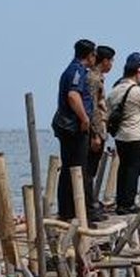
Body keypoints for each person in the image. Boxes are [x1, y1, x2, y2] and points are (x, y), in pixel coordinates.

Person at [106, 53, 140, 214]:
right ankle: (128, 203)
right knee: (133, 170)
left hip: (120, 136)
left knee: (123, 168)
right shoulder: (137, 91)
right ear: (137, 71)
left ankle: (121, 202)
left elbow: (108, 110)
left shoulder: (115, 90)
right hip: (136, 135)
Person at [52, 38, 97, 222]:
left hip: (69, 126)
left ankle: (68, 210)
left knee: (70, 167)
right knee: (78, 168)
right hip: (73, 127)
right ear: (90, 55)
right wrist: (84, 118)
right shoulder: (77, 71)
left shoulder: (74, 69)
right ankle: (77, 212)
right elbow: (73, 95)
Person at [87, 44, 115, 216]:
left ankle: (91, 203)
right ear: (104, 61)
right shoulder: (94, 79)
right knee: (89, 170)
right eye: (111, 61)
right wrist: (96, 134)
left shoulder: (98, 79)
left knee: (92, 170)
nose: (112, 65)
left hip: (100, 128)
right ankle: (89, 206)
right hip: (96, 129)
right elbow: (92, 108)